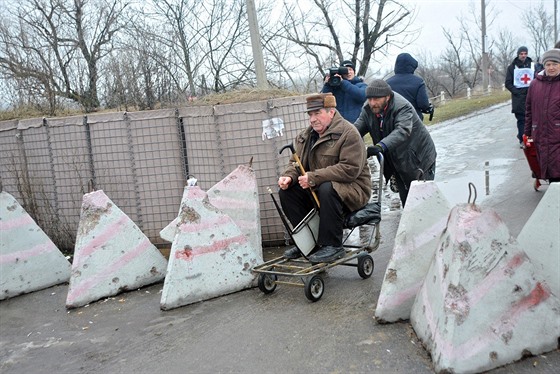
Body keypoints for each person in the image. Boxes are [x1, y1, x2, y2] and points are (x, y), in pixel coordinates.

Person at [278, 93, 372, 263]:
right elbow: (296, 163)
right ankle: (308, 243)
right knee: (287, 192)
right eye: (310, 114)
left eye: (317, 113)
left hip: (353, 190)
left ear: (331, 112)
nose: (313, 119)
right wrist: (289, 177)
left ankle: (333, 245)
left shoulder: (348, 133)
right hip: (319, 187)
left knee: (327, 187)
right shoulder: (305, 136)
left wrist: (314, 177)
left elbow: (349, 169)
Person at [354, 79, 437, 207]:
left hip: (419, 158)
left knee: (422, 202)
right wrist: (343, 139)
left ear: (387, 96)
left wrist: (380, 146)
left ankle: (434, 225)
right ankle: (411, 226)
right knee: (407, 202)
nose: (372, 103)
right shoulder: (368, 109)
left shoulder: (402, 106)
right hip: (398, 160)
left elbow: (402, 130)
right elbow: (357, 128)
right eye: (370, 99)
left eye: (376, 99)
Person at [524, 48, 560, 183]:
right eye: (548, 64)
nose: (551, 67)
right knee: (548, 169)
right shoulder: (534, 84)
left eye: (555, 64)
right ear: (543, 66)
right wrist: (527, 133)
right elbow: (529, 110)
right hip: (540, 134)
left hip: (558, 135)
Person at [386, 53, 433, 121]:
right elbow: (423, 105)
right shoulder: (418, 82)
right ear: (412, 66)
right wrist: (428, 108)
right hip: (414, 121)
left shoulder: (387, 84)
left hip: (394, 122)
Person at [505, 46, 534, 148]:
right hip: (518, 99)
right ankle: (522, 140)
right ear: (518, 54)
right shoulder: (512, 67)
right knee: (522, 120)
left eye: (525, 53)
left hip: (532, 97)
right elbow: (508, 83)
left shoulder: (532, 66)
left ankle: (531, 138)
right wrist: (516, 92)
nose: (523, 55)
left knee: (532, 119)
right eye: (521, 54)